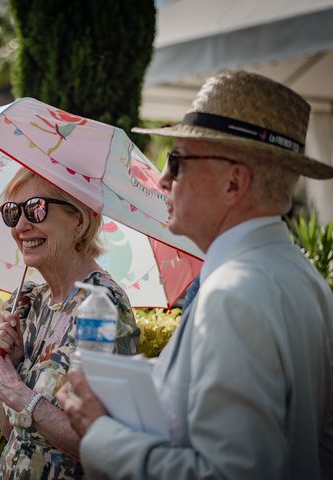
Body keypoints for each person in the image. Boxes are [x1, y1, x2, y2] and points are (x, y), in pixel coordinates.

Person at [57, 70, 333, 479]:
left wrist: (99, 435)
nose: (163, 179)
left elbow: (228, 472)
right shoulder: (304, 278)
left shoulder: (233, 293)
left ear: (233, 182)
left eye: (177, 161)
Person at [0, 168, 140, 479]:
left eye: (36, 209)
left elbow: (103, 445)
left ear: (79, 219)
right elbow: (11, 430)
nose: (21, 226)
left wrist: (16, 390)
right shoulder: (31, 302)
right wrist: (13, 366)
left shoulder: (103, 305)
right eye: (12, 213)